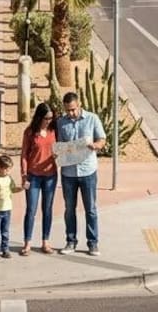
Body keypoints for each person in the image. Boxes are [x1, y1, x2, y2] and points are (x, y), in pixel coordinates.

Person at [53, 91, 106, 256]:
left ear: (79, 105)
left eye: (74, 109)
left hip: (87, 171)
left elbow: (102, 140)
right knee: (69, 209)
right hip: (68, 173)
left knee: (90, 208)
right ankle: (70, 241)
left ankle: (93, 242)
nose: (71, 113)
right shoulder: (61, 123)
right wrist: (58, 152)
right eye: (68, 110)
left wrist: (95, 146)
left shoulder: (92, 119)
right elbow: (59, 145)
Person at [19, 102, 59, 255]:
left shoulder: (53, 131)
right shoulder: (30, 132)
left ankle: (45, 241)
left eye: (51, 118)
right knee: (31, 209)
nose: (49, 121)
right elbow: (24, 155)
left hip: (50, 175)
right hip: (33, 175)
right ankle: (27, 243)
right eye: (46, 118)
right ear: (39, 117)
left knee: (47, 209)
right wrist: (23, 174)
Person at [0, 154, 22, 260]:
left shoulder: (9, 178)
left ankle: (5, 249)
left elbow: (13, 189)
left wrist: (21, 188)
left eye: (9, 169)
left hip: (7, 209)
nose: (7, 171)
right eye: (6, 169)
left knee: (5, 231)